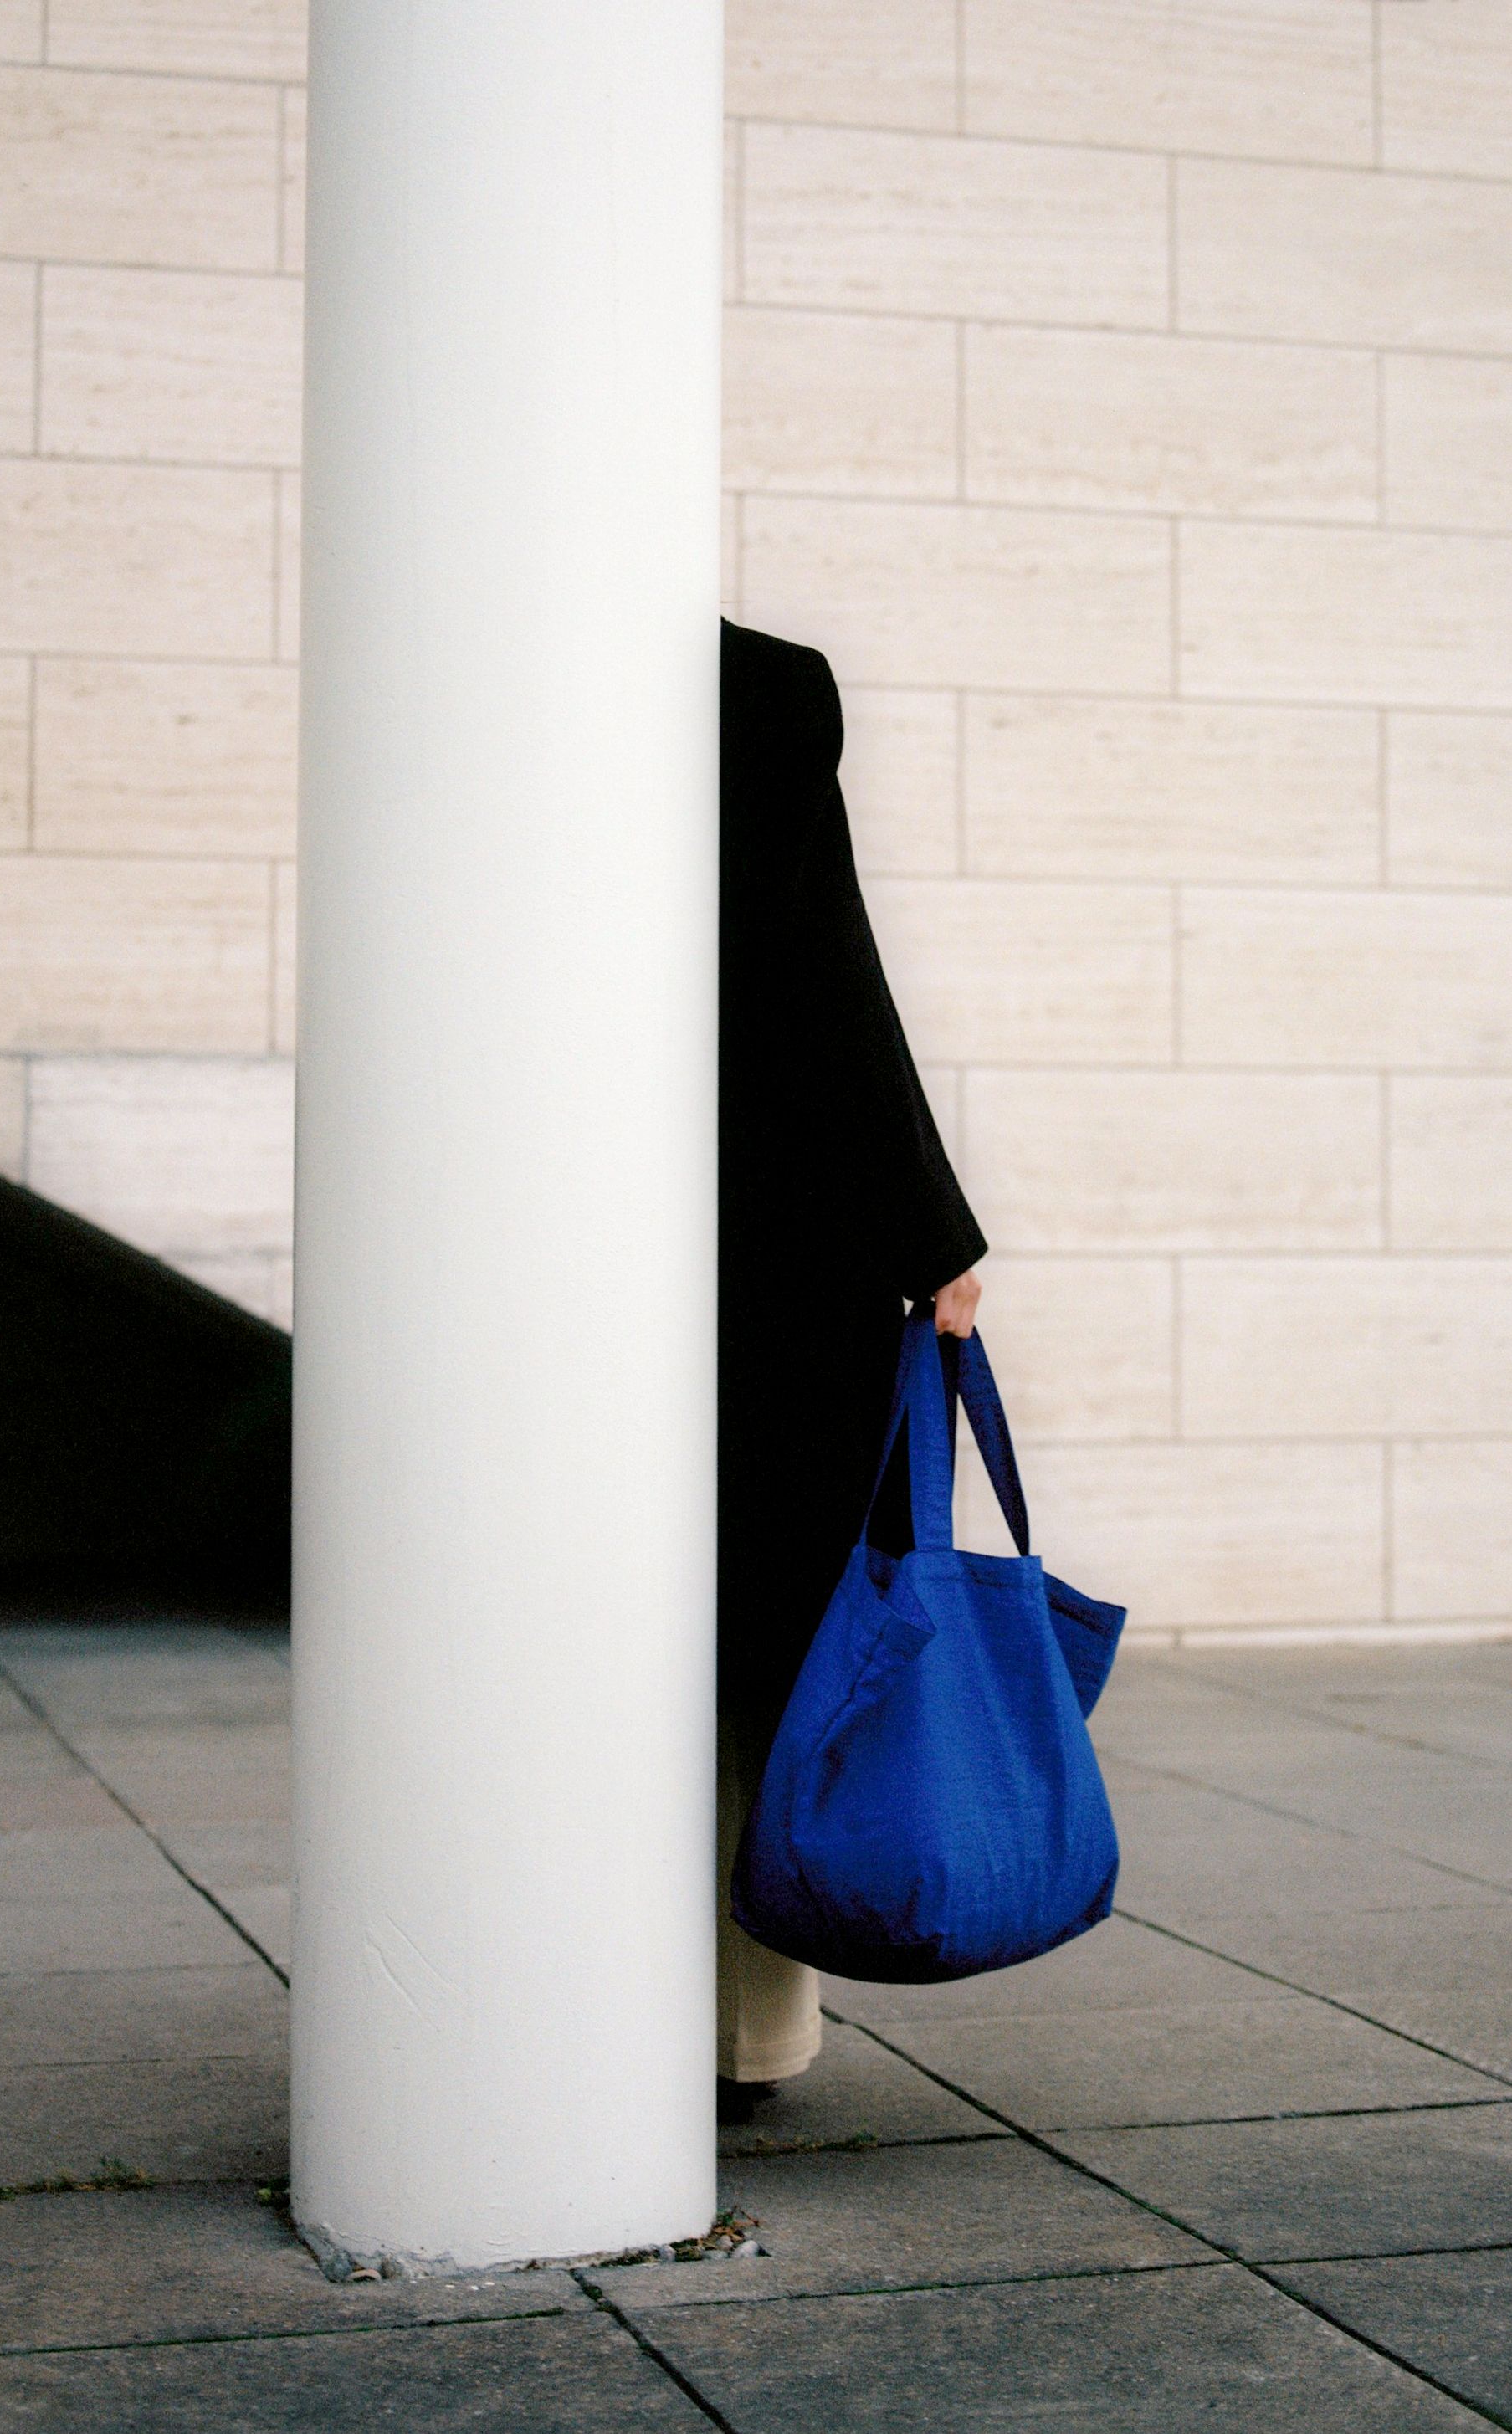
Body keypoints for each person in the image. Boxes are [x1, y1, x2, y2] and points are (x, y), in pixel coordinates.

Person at [717, 617, 987, 2110]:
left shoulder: (472, 639)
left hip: (550, 1250)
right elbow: (818, 956)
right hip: (763, 1249)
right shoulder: (754, 684)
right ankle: (735, 2029)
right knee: (766, 1640)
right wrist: (928, 1228)